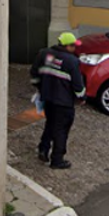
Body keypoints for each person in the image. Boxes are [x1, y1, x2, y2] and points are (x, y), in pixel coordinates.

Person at [30, 32, 87, 170]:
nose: (75, 48)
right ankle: (57, 160)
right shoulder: (72, 61)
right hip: (63, 103)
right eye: (73, 46)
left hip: (48, 98)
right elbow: (78, 85)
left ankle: (43, 149)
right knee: (61, 130)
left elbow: (34, 73)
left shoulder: (45, 54)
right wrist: (82, 98)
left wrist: (40, 88)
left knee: (50, 124)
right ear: (67, 46)